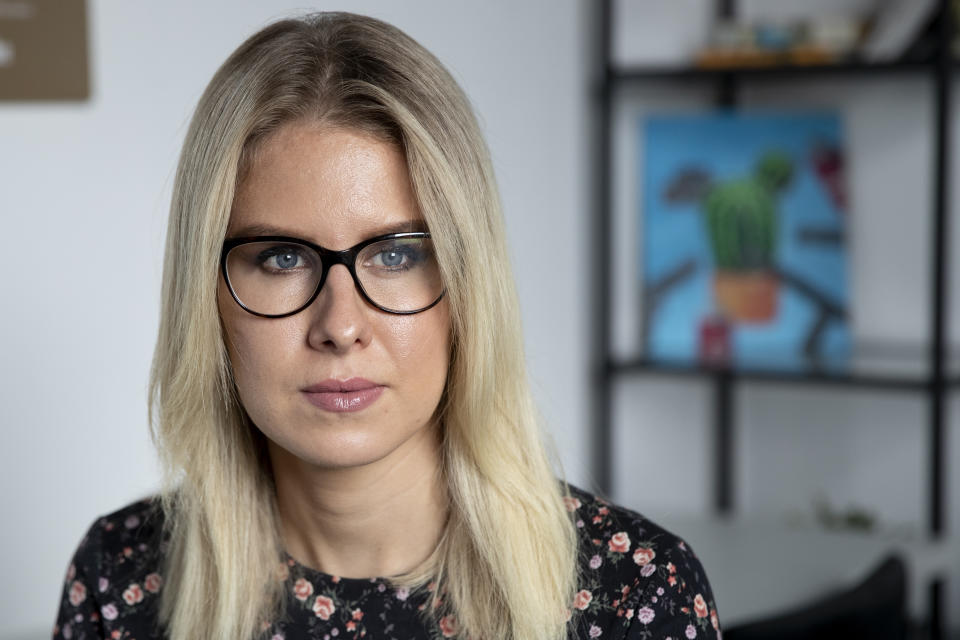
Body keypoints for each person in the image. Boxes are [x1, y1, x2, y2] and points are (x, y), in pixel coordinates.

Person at [53, 12, 719, 640]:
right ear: (208, 298)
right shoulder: (121, 579)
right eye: (281, 258)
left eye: (397, 255)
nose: (340, 326)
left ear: (469, 288)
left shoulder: (636, 595)